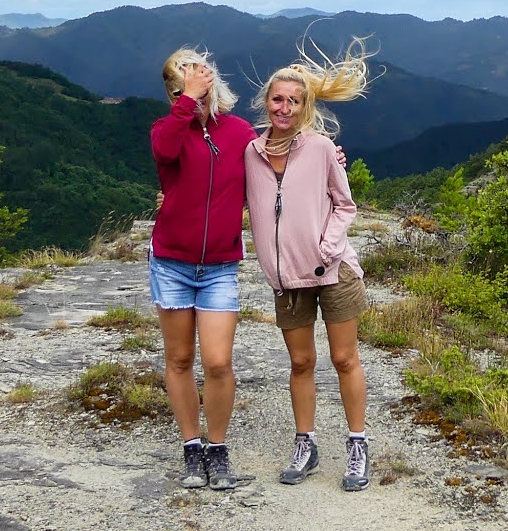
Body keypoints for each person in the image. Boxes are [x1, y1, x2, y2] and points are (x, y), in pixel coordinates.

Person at [243, 40, 375, 492]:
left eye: (293, 101)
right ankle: (306, 443)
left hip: (333, 271)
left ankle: (357, 445)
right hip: (286, 279)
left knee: (343, 357)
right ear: (266, 103)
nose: (284, 107)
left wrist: (327, 245)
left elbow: (345, 205)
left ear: (305, 107)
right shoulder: (249, 154)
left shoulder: (320, 148)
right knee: (301, 362)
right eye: (277, 99)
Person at [148, 47, 256, 490]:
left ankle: (218, 448)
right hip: (171, 262)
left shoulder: (239, 132)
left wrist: (331, 160)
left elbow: (278, 163)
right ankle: (191, 448)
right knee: (179, 359)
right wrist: (186, 103)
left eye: (200, 76)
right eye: (183, 82)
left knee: (218, 361)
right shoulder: (167, 129)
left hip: (219, 267)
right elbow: (164, 148)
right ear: (176, 91)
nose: (195, 87)